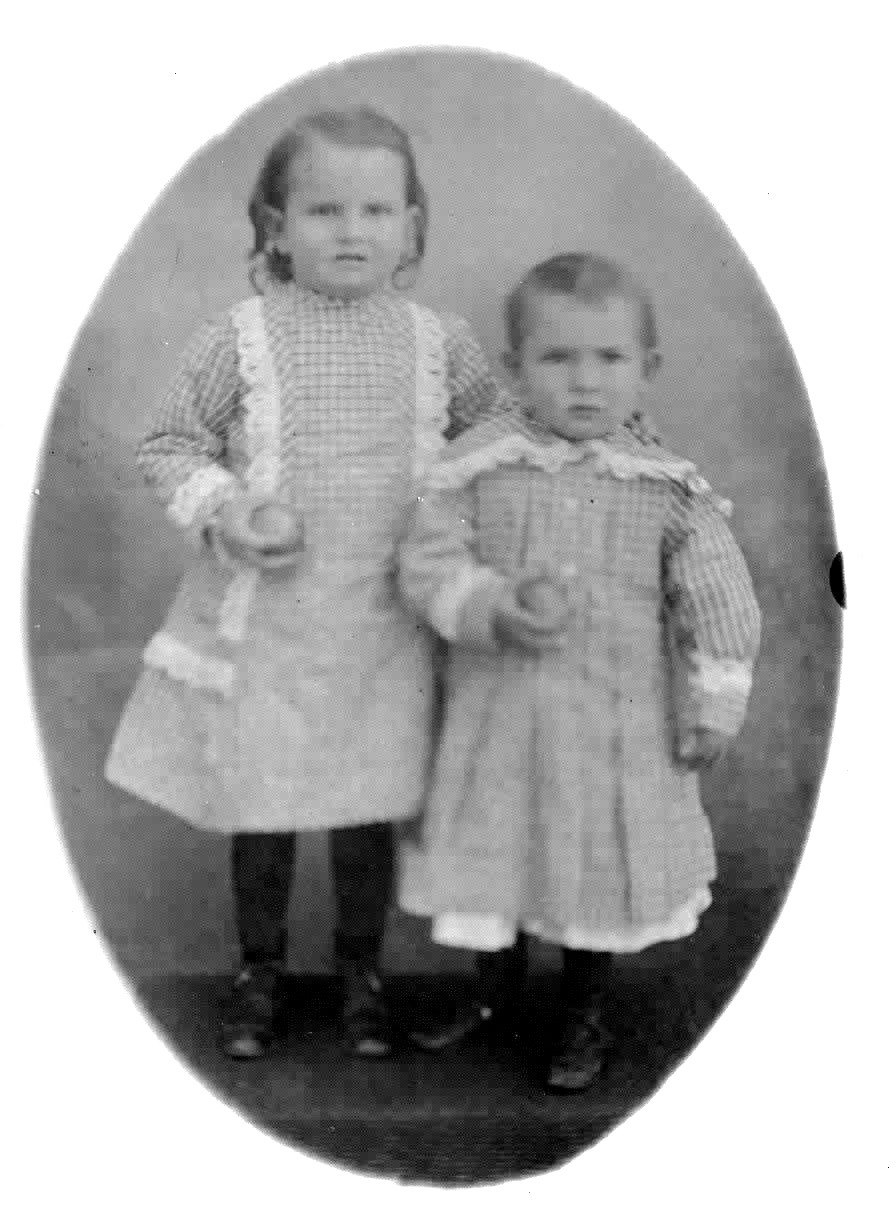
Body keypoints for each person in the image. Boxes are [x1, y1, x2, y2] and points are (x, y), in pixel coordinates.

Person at [105, 106, 514, 1061]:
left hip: (386, 623)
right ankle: (260, 971)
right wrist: (231, 508)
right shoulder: (237, 337)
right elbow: (170, 443)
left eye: (377, 210)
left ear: (412, 225)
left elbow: (500, 443)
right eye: (325, 210)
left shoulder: (439, 342)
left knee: (367, 807)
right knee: (263, 807)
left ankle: (360, 974)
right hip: (268, 623)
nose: (352, 231)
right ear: (276, 227)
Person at [397, 252, 762, 1091]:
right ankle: (494, 996)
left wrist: (715, 701)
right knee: (498, 858)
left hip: (614, 727)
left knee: (597, 865)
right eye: (558, 358)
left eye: (609, 358)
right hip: (500, 719)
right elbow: (426, 564)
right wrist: (492, 606)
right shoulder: (476, 466)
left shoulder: (666, 486)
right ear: (515, 366)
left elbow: (718, 598)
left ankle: (583, 1010)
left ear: (647, 368)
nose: (585, 381)